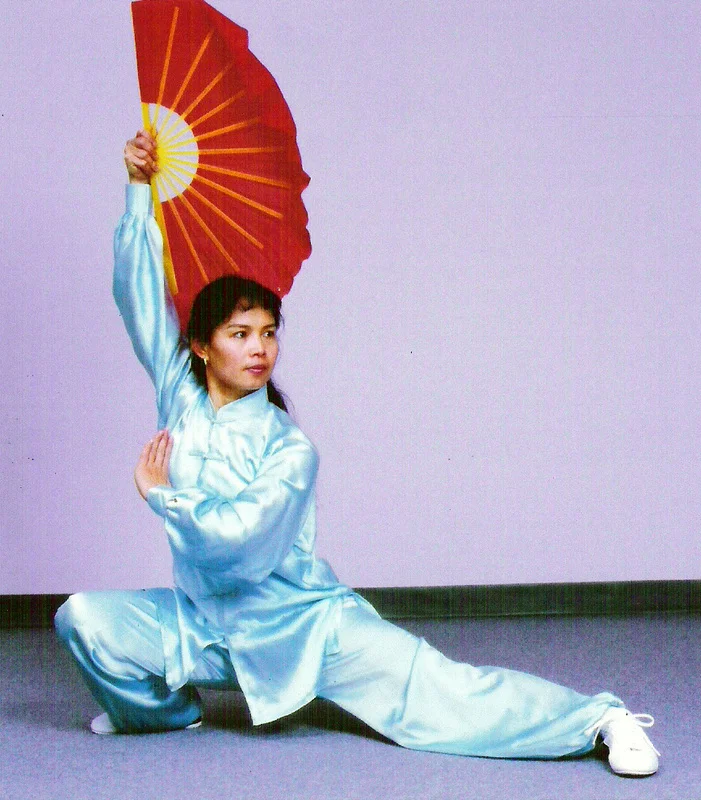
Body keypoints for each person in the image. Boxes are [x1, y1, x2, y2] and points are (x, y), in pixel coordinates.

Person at [55, 130, 660, 777]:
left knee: (442, 697)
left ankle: (599, 719)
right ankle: (168, 714)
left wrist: (162, 496)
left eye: (268, 333)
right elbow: (140, 297)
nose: (259, 348)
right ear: (201, 347)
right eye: (240, 333)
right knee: (83, 618)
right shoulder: (180, 395)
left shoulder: (289, 448)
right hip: (203, 626)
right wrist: (138, 188)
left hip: (303, 629)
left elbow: (238, 544)